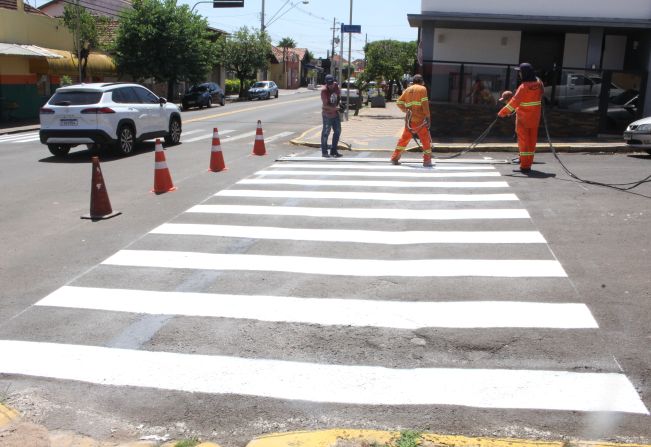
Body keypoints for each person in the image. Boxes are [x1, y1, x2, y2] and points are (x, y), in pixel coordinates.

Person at [497, 63, 544, 173]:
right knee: (531, 143)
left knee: (524, 143)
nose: (519, 74)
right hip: (534, 119)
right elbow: (539, 83)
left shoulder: (523, 87)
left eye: (520, 72)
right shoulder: (538, 85)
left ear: (525, 73)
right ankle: (527, 163)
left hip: (523, 120)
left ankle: (525, 166)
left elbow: (513, 103)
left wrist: (501, 113)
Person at [390, 74, 432, 167]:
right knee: (425, 140)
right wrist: (428, 117)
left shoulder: (407, 90)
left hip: (410, 121)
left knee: (404, 140)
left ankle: (395, 157)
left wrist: (406, 110)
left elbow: (399, 102)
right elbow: (425, 104)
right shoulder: (422, 89)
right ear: (421, 81)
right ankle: (427, 161)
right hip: (420, 120)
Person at [320, 74, 342, 158]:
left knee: (338, 131)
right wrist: (336, 109)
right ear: (326, 83)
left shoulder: (336, 86)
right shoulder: (324, 91)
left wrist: (340, 104)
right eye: (329, 84)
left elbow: (339, 97)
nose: (331, 85)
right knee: (326, 133)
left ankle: (333, 151)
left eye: (332, 83)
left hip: (335, 114)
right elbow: (325, 106)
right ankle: (324, 152)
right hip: (327, 115)